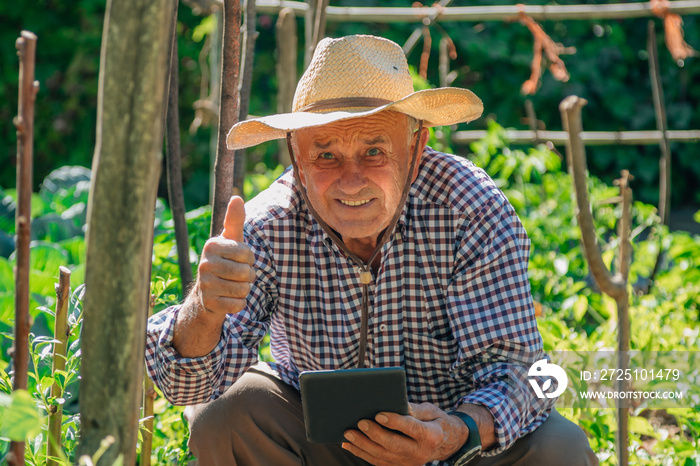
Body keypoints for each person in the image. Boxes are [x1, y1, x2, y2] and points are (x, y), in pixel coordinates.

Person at [145, 34, 598, 466]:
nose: (351, 179)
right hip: (324, 446)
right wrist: (204, 309)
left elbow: (518, 369)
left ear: (416, 146)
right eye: (325, 156)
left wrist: (455, 434)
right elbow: (189, 386)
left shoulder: (468, 209)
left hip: (455, 447)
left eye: (374, 152)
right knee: (224, 417)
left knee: (560, 448)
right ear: (296, 156)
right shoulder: (269, 225)